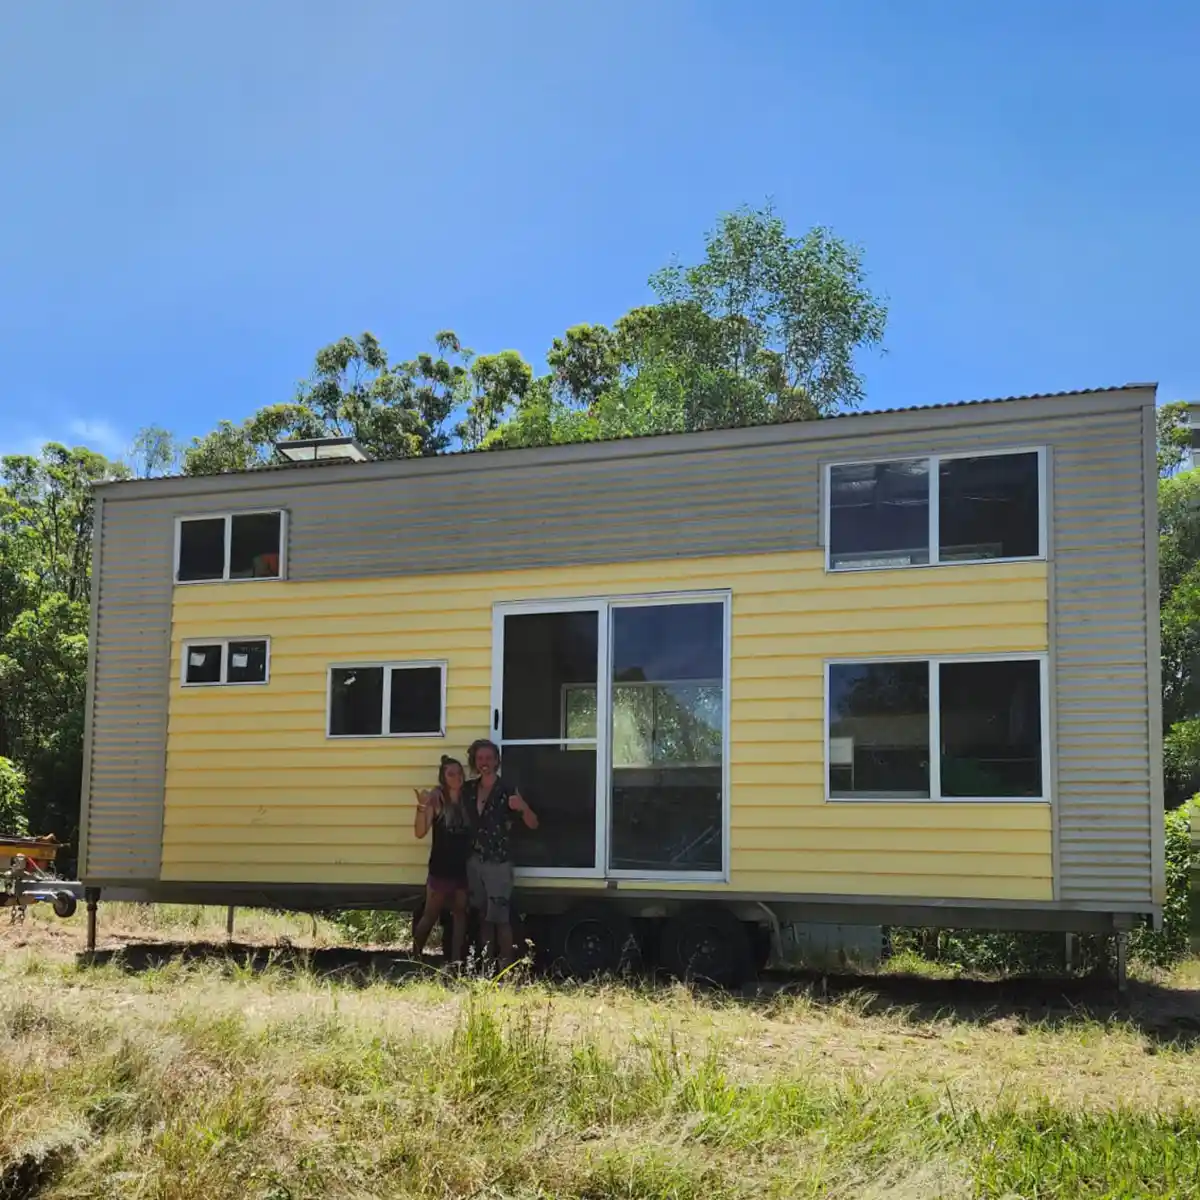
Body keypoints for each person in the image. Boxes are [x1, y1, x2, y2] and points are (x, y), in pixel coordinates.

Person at [463, 738, 538, 968]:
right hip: (475, 861)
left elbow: (533, 823)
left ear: (497, 761)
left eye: (489, 758)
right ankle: (487, 967)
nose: (484, 762)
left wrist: (523, 806)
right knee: (483, 916)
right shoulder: (469, 789)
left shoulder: (507, 790)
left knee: (501, 919)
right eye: (480, 758)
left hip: (499, 862)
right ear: (475, 762)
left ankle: (505, 967)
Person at [411, 755, 471, 963]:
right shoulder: (437, 800)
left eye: (459, 773)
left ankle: (456, 960)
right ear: (443, 778)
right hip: (440, 868)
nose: (456, 777)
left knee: (460, 914)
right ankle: (415, 957)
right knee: (430, 915)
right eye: (451, 774)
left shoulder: (468, 799)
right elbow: (419, 832)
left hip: (463, 869)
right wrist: (421, 807)